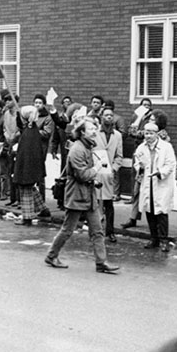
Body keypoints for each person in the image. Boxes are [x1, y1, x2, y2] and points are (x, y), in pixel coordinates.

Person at [44, 117, 120, 274]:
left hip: (88, 196)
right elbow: (83, 175)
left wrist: (95, 179)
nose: (95, 132)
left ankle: (101, 262)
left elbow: (87, 175)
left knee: (97, 230)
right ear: (82, 132)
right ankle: (51, 256)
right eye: (91, 129)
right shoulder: (77, 149)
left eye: (95, 129)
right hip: (76, 196)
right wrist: (97, 168)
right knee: (67, 229)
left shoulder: (87, 147)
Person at [135, 122, 176, 251]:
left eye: (151, 133)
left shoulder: (166, 147)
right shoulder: (141, 148)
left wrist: (160, 173)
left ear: (156, 134)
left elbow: (170, 164)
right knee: (149, 211)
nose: (148, 136)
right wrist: (139, 167)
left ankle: (164, 240)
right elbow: (136, 163)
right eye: (146, 133)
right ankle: (154, 239)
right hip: (148, 183)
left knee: (161, 212)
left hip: (160, 183)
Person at [13, 106, 51, 225]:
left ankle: (27, 217)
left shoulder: (29, 132)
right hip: (32, 165)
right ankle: (43, 209)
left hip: (27, 166)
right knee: (30, 187)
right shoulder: (32, 128)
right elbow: (20, 124)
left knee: (25, 188)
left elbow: (25, 151)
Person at [95, 107, 123, 242]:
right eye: (106, 115)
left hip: (109, 174)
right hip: (96, 172)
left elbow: (119, 156)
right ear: (101, 117)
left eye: (111, 115)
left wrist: (114, 169)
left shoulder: (117, 135)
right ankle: (96, 230)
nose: (109, 117)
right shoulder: (94, 133)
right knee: (95, 203)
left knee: (108, 204)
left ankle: (110, 231)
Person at [32, 94, 54, 201]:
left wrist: (34, 130)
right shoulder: (32, 115)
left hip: (41, 148)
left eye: (40, 103)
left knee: (40, 174)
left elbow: (47, 133)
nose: (37, 105)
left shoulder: (47, 117)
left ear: (44, 104)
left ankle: (42, 198)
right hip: (30, 147)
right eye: (36, 102)